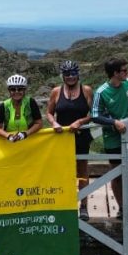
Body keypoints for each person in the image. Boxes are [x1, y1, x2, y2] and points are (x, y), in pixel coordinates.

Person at [91, 58, 128, 220]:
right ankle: (122, 207)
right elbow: (94, 115)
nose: (127, 73)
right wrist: (113, 122)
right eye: (124, 71)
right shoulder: (101, 92)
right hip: (113, 138)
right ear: (115, 73)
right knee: (117, 174)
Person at [47, 60, 93, 220]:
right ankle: (65, 205)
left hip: (81, 137)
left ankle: (84, 206)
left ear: (78, 74)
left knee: (82, 171)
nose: (71, 77)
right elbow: (49, 112)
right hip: (62, 137)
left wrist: (80, 122)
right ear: (63, 76)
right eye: (67, 74)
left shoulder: (86, 91)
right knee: (63, 171)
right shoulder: (56, 92)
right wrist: (53, 123)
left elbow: (92, 114)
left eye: (73, 73)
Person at [0, 74, 43, 141]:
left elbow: (39, 123)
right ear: (9, 91)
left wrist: (25, 134)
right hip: (10, 143)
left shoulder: (31, 102)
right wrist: (8, 136)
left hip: (30, 141)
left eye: (20, 89)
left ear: (24, 90)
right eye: (13, 89)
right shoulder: (4, 105)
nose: (16, 92)